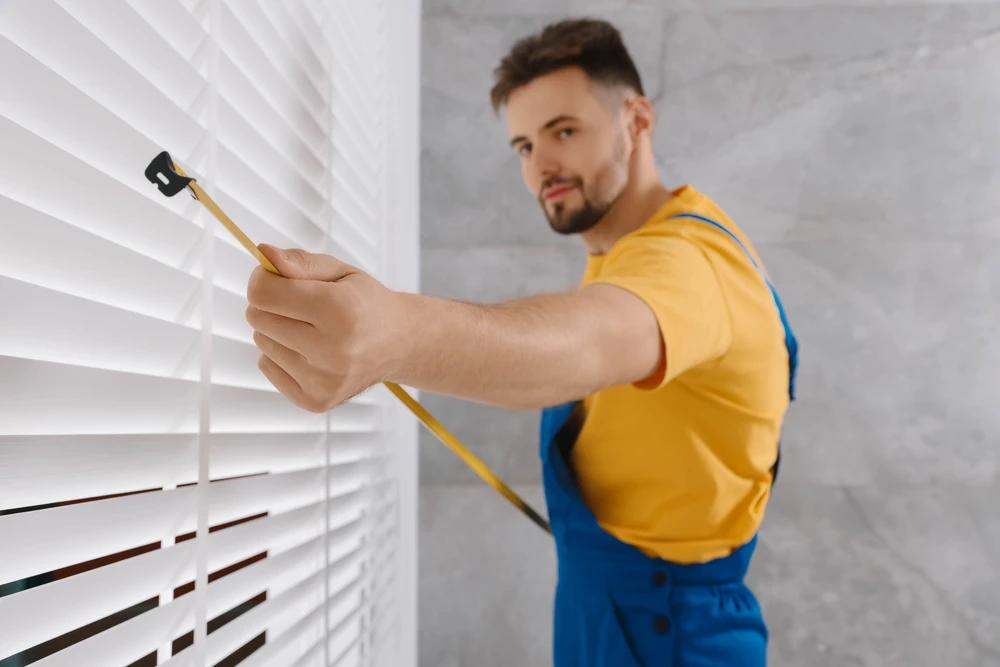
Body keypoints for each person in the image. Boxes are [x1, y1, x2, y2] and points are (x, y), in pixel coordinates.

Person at [244, 17, 797, 667]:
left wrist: (395, 334)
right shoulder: (630, 252)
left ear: (637, 120)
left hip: (669, 634)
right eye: (524, 146)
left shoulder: (688, 262)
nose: (542, 166)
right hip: (619, 613)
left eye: (564, 130)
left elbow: (585, 344)